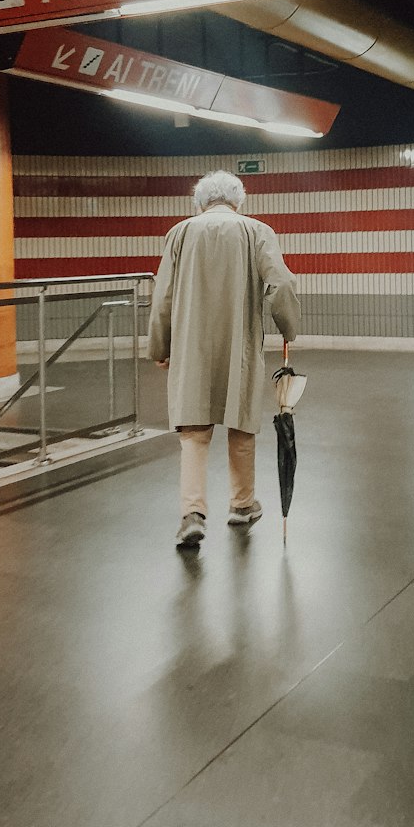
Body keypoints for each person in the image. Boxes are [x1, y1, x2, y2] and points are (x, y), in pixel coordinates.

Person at [147, 170, 300, 549]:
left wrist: (159, 347)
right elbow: (281, 284)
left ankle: (192, 514)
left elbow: (162, 295)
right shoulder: (256, 231)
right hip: (240, 345)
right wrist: (288, 327)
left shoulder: (180, 233)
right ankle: (242, 504)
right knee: (241, 427)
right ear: (238, 200)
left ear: (200, 202)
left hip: (190, 348)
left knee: (194, 435)